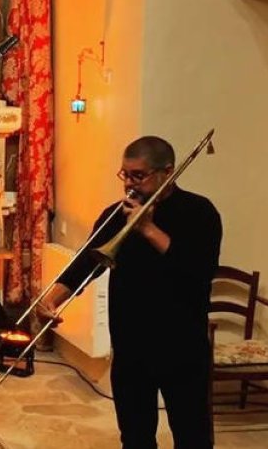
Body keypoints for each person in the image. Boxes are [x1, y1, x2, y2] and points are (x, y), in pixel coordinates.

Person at [38, 136, 222, 449]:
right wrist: (54, 297)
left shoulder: (200, 212)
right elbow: (87, 261)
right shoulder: (115, 214)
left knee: (192, 436)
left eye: (139, 175)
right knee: (135, 437)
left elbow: (199, 271)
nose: (129, 184)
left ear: (167, 172)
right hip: (131, 344)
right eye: (125, 174)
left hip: (182, 346)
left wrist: (148, 228)